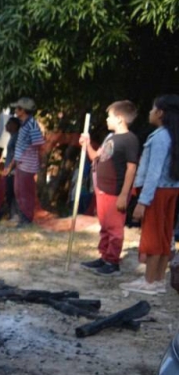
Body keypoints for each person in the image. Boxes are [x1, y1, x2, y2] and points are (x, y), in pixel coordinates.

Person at [124, 95, 179, 294]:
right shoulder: (173, 135)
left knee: (153, 235)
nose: (149, 113)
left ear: (160, 113)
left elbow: (153, 172)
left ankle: (149, 281)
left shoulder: (160, 137)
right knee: (165, 234)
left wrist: (143, 201)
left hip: (157, 192)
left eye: (152, 109)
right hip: (171, 189)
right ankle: (157, 279)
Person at [79, 101, 139, 276]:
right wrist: (87, 144)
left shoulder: (129, 140)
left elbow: (131, 168)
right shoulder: (109, 138)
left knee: (114, 227)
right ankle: (104, 256)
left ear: (120, 119)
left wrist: (123, 194)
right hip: (102, 190)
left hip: (116, 191)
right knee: (105, 225)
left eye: (109, 116)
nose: (106, 119)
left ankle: (112, 262)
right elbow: (95, 158)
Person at [1, 98, 45, 226]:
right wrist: (11, 166)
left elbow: (39, 145)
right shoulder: (25, 124)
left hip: (27, 166)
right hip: (21, 164)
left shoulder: (31, 124)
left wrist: (38, 163)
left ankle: (26, 219)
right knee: (19, 192)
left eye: (18, 108)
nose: (16, 110)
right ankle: (23, 218)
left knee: (24, 192)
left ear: (24, 110)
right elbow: (20, 149)